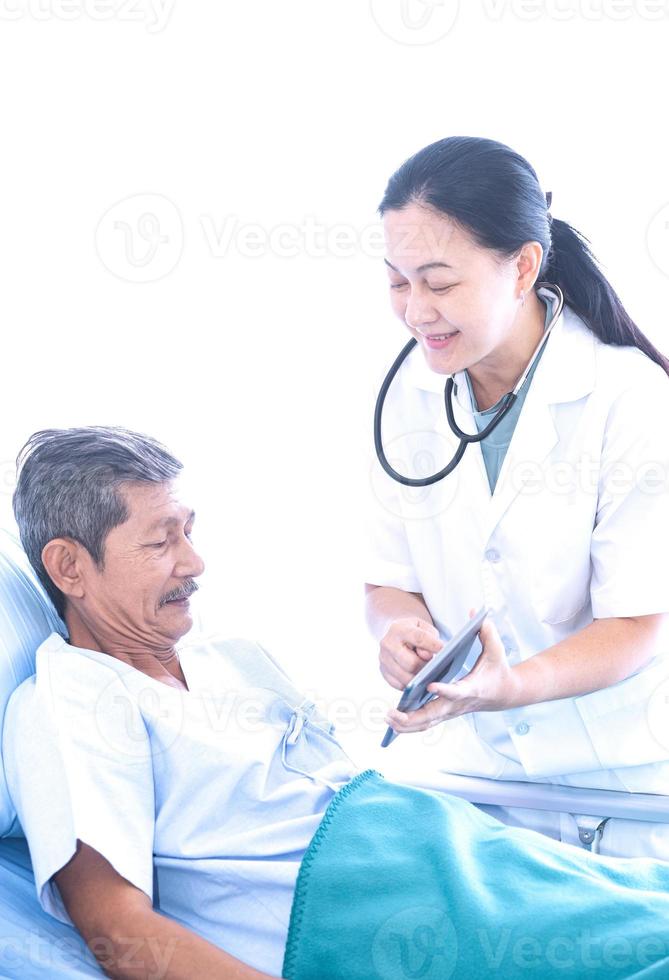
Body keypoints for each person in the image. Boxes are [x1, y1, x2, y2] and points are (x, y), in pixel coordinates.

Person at [6, 427, 669, 980]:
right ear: (68, 567)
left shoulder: (228, 655)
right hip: (372, 911)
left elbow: (345, 793)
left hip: (446, 852)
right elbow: (118, 930)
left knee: (645, 907)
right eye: (160, 541)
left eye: (189, 531)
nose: (195, 562)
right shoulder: (72, 701)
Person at [364, 135, 669, 859]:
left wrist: (510, 685)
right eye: (396, 281)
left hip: (623, 788)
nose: (414, 311)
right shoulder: (405, 397)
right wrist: (396, 631)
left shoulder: (627, 399)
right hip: (481, 782)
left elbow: (635, 625)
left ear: (522, 266)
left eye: (438, 283)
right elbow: (387, 580)